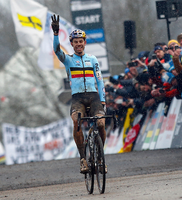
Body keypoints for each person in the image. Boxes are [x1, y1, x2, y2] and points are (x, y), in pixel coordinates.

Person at [51, 14, 107, 174]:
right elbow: (56, 50)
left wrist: (103, 101)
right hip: (77, 99)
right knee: (76, 122)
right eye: (75, 42)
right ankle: (83, 159)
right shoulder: (68, 60)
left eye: (81, 42)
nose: (78, 44)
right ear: (72, 44)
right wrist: (56, 34)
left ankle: (101, 156)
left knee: (101, 124)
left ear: (85, 43)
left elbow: (100, 81)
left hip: (94, 97)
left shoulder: (93, 59)